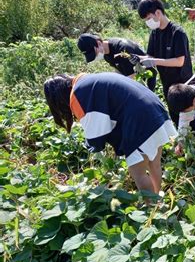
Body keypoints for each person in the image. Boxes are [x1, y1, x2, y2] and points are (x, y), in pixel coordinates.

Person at [43, 72, 177, 195]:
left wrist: (92, 146)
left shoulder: (78, 95)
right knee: (154, 163)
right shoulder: (87, 80)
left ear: (59, 98)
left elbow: (96, 136)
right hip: (154, 108)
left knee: (138, 173)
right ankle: (157, 197)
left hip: (139, 119)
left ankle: (152, 209)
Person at [137, 0, 195, 135]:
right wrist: (138, 58)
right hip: (167, 83)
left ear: (158, 13)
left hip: (183, 83)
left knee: (189, 118)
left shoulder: (177, 32)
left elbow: (179, 61)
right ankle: (184, 146)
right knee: (175, 117)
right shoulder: (155, 33)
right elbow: (151, 56)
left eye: (148, 18)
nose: (148, 22)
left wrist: (154, 62)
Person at [77, 33, 157, 91]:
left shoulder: (123, 49)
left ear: (98, 43)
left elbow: (138, 73)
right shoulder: (106, 53)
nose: (96, 56)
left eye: (95, 53)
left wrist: (117, 83)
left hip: (146, 79)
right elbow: (118, 70)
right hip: (133, 81)